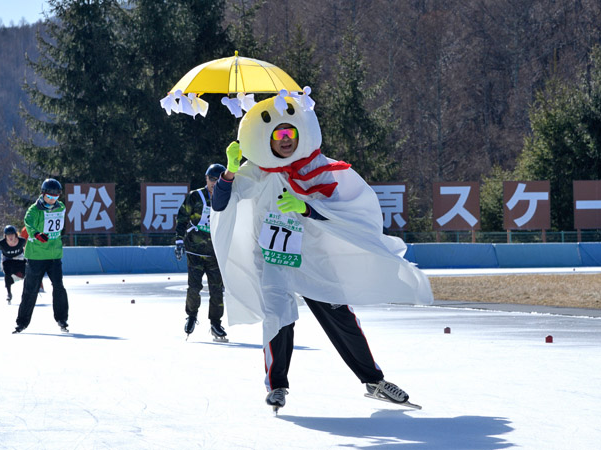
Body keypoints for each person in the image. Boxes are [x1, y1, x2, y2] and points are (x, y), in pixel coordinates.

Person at [210, 95, 433, 412]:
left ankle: (373, 379)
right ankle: (276, 386)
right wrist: (230, 173)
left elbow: (342, 212)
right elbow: (221, 205)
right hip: (272, 256)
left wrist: (307, 208)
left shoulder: (319, 168)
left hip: (311, 254)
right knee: (278, 317)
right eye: (278, 135)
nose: (286, 141)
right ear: (266, 139)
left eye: (291, 134)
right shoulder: (256, 171)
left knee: (339, 314)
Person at [175, 163, 228, 341]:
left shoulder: (227, 198)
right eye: (212, 179)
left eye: (218, 179)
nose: (214, 183)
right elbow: (182, 217)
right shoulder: (195, 197)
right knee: (194, 287)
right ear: (206, 179)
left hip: (216, 253)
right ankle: (191, 316)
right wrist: (179, 240)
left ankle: (215, 323)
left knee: (217, 290)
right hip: (195, 251)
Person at [13, 178, 69, 334]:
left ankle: (62, 318)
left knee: (59, 286)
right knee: (30, 289)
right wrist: (36, 233)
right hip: (36, 256)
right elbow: (28, 223)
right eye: (49, 197)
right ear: (43, 194)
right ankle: (22, 322)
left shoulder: (61, 207)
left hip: (54, 255)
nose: (52, 200)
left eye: (56, 197)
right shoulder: (34, 210)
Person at [0, 225, 27, 304]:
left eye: (12, 234)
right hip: (8, 260)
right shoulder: (1, 244)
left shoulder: (21, 241)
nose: (10, 237)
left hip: (19, 259)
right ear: (5, 236)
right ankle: (9, 293)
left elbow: (26, 248)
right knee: (7, 274)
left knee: (25, 274)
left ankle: (26, 293)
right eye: (8, 235)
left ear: (15, 234)